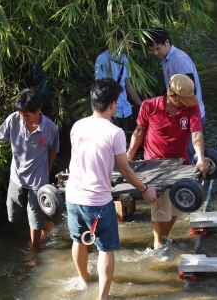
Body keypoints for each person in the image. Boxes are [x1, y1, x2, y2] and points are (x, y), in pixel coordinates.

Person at [65, 78, 159, 300]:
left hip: (73, 196)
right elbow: (125, 169)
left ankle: (83, 280)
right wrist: (145, 190)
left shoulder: (77, 126)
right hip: (97, 201)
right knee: (106, 249)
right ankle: (103, 297)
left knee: (78, 240)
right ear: (113, 105)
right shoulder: (114, 132)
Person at [126, 74, 209, 249]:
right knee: (161, 205)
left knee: (177, 205)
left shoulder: (191, 108)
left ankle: (163, 238)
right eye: (184, 99)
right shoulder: (150, 105)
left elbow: (196, 134)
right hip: (155, 164)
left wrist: (200, 157)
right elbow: (139, 131)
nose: (187, 102)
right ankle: (158, 245)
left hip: (180, 163)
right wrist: (128, 156)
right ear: (173, 96)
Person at [0, 89, 59, 249]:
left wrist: (47, 170)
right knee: (14, 215)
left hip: (37, 181)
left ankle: (34, 251)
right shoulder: (13, 120)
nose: (23, 118)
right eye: (21, 114)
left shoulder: (51, 128)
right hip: (16, 178)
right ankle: (46, 224)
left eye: (27, 116)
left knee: (34, 219)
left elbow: (53, 149)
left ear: (38, 111)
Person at [145, 28, 205, 162]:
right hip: (179, 113)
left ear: (167, 42)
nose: (155, 53)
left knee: (187, 152)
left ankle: (189, 180)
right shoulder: (167, 59)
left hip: (189, 113)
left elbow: (190, 91)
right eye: (152, 50)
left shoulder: (179, 60)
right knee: (181, 150)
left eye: (158, 49)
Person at [95, 30, 142, 132]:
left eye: (131, 41)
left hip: (123, 110)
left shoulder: (125, 59)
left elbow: (128, 84)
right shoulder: (103, 58)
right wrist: (105, 114)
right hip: (110, 111)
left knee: (122, 144)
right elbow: (99, 89)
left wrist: (141, 106)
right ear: (116, 40)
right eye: (126, 41)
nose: (129, 44)